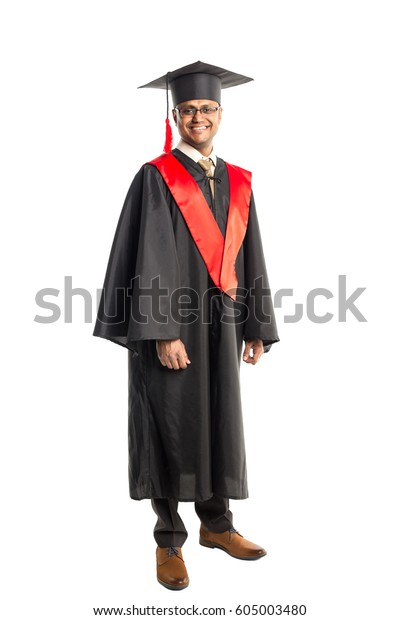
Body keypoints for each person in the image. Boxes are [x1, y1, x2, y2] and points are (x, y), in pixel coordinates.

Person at [93, 60, 279, 590]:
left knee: (218, 417)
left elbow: (251, 256)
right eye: (189, 109)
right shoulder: (156, 177)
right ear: (175, 115)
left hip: (220, 321)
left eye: (208, 109)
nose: (199, 117)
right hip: (171, 328)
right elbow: (149, 256)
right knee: (170, 422)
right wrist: (162, 331)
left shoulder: (238, 180)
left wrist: (256, 326)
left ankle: (217, 526)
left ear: (220, 114)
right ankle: (169, 539)